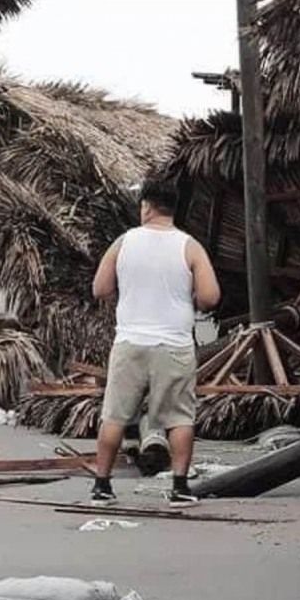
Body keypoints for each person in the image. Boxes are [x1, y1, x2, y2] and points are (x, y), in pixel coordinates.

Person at [90, 178, 220, 505]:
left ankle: (102, 486)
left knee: (115, 415)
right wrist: (191, 297)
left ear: (146, 206)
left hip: (130, 341)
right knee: (178, 417)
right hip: (174, 344)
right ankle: (179, 487)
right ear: (173, 208)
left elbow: (100, 289)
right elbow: (210, 296)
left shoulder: (124, 242)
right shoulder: (189, 246)